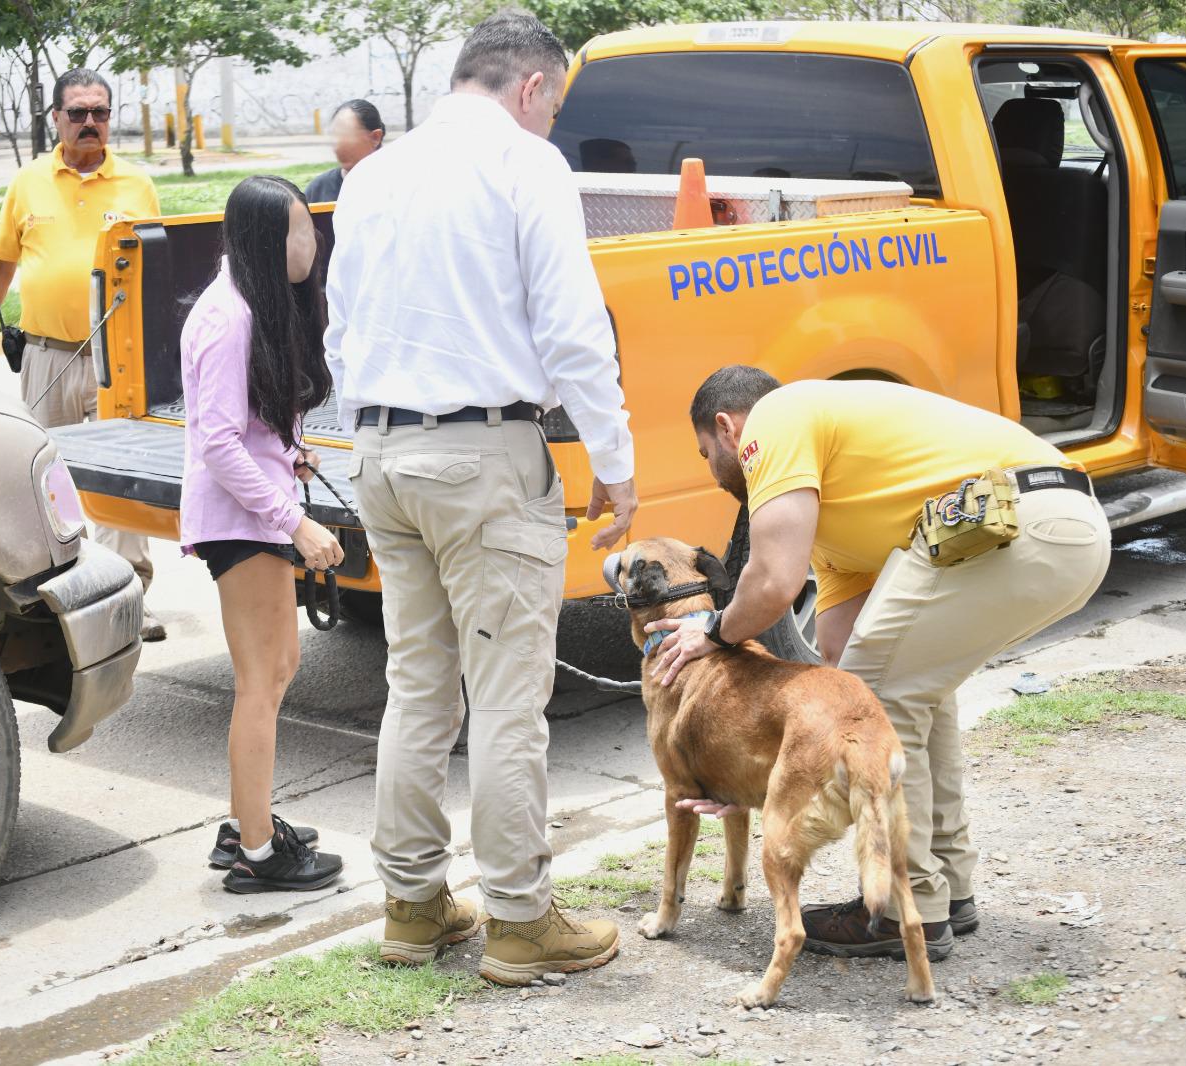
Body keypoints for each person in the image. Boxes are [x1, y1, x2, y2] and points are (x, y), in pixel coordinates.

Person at [324, 11, 638, 983]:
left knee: (418, 685)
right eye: (556, 104)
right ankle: (518, 917)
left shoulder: (372, 173)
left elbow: (339, 327)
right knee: (506, 699)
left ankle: (413, 906)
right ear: (533, 87)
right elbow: (573, 325)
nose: (552, 124)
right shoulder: (525, 164)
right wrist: (616, 461)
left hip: (379, 451)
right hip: (484, 456)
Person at [648, 368, 1111, 960]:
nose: (715, 476)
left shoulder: (776, 417)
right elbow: (844, 664)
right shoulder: (842, 517)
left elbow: (771, 582)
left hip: (1020, 522)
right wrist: (759, 777)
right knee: (904, 688)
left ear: (727, 427)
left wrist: (712, 630)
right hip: (1053, 527)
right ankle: (947, 886)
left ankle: (903, 906)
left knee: (887, 700)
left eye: (708, 455)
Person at [180, 175, 345, 894]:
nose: (312, 240)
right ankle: (255, 849)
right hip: (239, 520)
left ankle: (248, 820)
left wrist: (288, 454)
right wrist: (295, 522)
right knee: (261, 681)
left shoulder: (249, 303)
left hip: (255, 509)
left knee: (277, 672)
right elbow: (216, 444)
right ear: (267, 240)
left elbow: (243, 429)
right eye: (301, 227)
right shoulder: (229, 318)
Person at [0, 68, 167, 641]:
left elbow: (157, 271)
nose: (89, 124)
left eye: (99, 113)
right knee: (46, 480)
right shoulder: (28, 182)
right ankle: (58, 602)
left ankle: (130, 598)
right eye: (77, 113)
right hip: (48, 356)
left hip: (118, 357)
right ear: (55, 118)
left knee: (122, 480)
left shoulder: (136, 184)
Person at [304, 99, 385, 204]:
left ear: (375, 137)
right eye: (335, 135)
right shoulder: (318, 189)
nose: (337, 146)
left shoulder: (397, 186)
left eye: (346, 135)